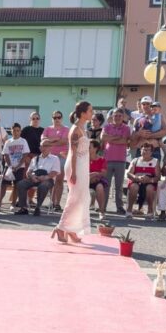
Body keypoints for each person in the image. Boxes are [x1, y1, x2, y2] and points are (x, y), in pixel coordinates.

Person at [52, 100, 92, 244]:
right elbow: (74, 153)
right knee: (75, 198)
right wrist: (74, 172)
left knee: (82, 198)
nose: (92, 113)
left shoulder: (83, 127)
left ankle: (72, 230)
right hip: (76, 166)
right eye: (90, 111)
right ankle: (61, 227)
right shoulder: (75, 130)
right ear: (82, 113)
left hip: (82, 165)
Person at [100, 108, 131, 214]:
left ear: (123, 117)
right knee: (106, 185)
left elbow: (124, 140)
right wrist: (117, 138)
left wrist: (111, 138)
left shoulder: (126, 128)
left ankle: (119, 207)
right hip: (107, 159)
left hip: (121, 160)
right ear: (112, 117)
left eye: (119, 115)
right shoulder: (107, 126)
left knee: (119, 185)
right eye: (115, 115)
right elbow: (103, 138)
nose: (117, 117)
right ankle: (102, 206)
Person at [15, 147, 60, 216]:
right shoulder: (35, 158)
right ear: (40, 148)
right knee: (21, 184)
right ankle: (23, 208)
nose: (44, 148)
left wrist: (45, 177)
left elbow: (55, 171)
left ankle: (38, 207)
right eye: (42, 146)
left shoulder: (55, 158)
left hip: (48, 179)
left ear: (50, 148)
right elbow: (28, 171)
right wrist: (32, 176)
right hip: (34, 178)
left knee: (43, 186)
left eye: (46, 146)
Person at [41, 110, 69, 211]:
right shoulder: (47, 129)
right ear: (52, 118)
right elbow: (43, 140)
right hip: (49, 157)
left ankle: (57, 203)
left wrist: (50, 141)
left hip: (61, 157)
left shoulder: (66, 129)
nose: (57, 119)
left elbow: (64, 141)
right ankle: (52, 202)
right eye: (55, 117)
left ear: (61, 118)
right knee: (50, 179)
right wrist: (56, 139)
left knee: (59, 180)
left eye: (59, 117)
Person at [0, 123, 30, 209]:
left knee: (16, 185)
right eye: (14, 131)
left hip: (20, 167)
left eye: (18, 131)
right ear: (11, 131)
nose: (16, 132)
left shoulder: (23, 141)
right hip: (9, 167)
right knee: (3, 184)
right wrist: (10, 166)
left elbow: (25, 154)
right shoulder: (8, 142)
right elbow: (5, 155)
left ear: (20, 131)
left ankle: (13, 204)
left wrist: (18, 166)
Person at [126, 143, 160, 218]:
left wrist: (150, 180)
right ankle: (129, 210)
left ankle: (150, 210)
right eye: (144, 149)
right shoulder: (135, 160)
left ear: (151, 152)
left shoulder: (155, 161)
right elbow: (129, 174)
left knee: (150, 188)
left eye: (148, 150)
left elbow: (158, 177)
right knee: (134, 187)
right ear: (140, 150)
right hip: (136, 180)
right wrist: (137, 178)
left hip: (150, 181)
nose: (145, 151)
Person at [88, 140, 109, 220]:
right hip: (84, 180)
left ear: (96, 148)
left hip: (96, 180)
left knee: (100, 187)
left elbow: (103, 173)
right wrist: (93, 174)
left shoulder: (102, 160)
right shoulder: (83, 159)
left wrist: (94, 175)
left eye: (89, 147)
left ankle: (101, 211)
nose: (87, 148)